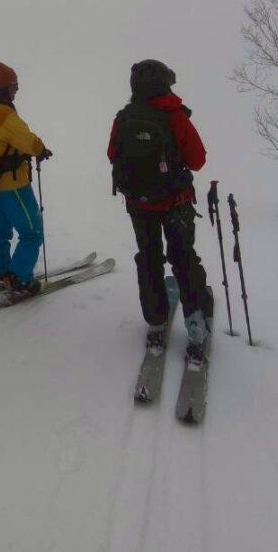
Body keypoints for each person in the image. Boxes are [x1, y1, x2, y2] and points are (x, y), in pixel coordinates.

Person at [107, 59, 210, 362]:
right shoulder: (174, 115)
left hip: (139, 204)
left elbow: (112, 154)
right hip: (176, 203)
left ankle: (155, 321)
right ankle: (196, 326)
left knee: (149, 257)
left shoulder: (124, 117)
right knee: (183, 258)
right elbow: (198, 160)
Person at [0, 62, 52, 295]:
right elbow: (24, 138)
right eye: (14, 84)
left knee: (1, 230)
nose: (17, 88)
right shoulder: (2, 113)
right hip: (13, 183)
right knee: (32, 232)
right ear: (4, 86)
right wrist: (40, 149)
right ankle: (20, 279)